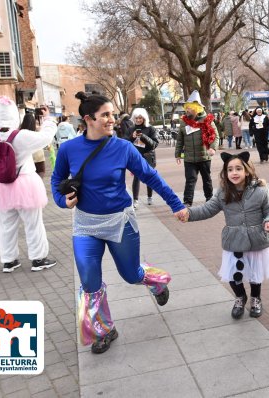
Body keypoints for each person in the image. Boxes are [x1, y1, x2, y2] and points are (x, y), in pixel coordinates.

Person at [51, 92, 186, 354]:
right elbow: (56, 181)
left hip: (120, 221)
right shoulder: (69, 149)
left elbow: (151, 177)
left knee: (131, 274)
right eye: (106, 115)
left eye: (112, 114)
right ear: (88, 119)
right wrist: (61, 200)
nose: (112, 119)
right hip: (85, 225)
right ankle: (104, 330)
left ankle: (157, 281)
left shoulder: (123, 148)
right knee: (89, 280)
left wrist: (176, 204)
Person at [178, 151, 269, 319]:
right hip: (234, 239)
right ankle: (240, 297)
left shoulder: (260, 190)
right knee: (233, 272)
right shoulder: (222, 193)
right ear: (225, 173)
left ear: (246, 170)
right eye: (230, 169)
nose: (234, 173)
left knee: (255, 273)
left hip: (257, 238)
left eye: (238, 168)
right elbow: (207, 209)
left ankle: (255, 298)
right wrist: (188, 214)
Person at [0, 97, 57, 273]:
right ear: (15, 115)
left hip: (1, 186)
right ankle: (38, 259)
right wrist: (48, 120)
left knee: (6, 224)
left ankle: (8, 261)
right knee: (33, 223)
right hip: (25, 184)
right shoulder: (21, 135)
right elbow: (45, 138)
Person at [175, 90, 219, 207]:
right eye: (186, 107)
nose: (187, 110)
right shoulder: (184, 122)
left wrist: (213, 148)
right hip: (189, 158)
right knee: (190, 180)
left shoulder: (207, 121)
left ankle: (209, 199)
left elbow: (216, 136)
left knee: (207, 179)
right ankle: (187, 201)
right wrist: (177, 154)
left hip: (204, 156)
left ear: (196, 108)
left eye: (189, 108)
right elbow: (180, 140)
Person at [126, 108, 159, 207]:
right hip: (136, 157)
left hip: (149, 156)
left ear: (144, 118)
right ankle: (135, 200)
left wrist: (143, 136)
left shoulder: (151, 129)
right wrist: (132, 137)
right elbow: (125, 142)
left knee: (149, 177)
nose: (138, 120)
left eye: (140, 118)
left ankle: (150, 197)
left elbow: (154, 144)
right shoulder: (131, 129)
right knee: (136, 178)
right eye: (136, 118)